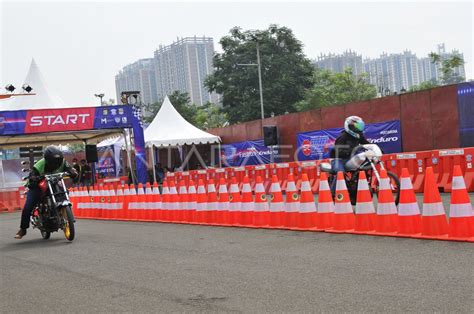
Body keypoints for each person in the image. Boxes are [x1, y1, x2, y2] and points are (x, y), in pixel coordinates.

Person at [15, 145, 78, 239]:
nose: (56, 162)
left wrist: (73, 173)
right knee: (28, 207)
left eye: (58, 160)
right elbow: (32, 175)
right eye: (54, 161)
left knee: (64, 192)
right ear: (48, 159)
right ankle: (23, 229)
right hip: (38, 186)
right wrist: (34, 178)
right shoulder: (40, 164)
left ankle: (62, 213)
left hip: (53, 183)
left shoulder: (63, 162)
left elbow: (70, 170)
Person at [329, 116, 369, 192]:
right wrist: (352, 150)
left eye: (359, 126)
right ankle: (332, 194)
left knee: (364, 165)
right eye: (356, 126)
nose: (358, 128)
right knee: (340, 173)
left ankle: (356, 187)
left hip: (351, 158)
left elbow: (366, 143)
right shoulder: (342, 137)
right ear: (349, 126)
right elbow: (338, 151)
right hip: (338, 159)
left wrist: (377, 148)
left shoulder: (359, 135)